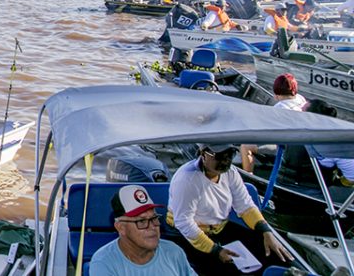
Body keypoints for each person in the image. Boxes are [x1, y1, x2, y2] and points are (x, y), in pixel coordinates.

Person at [167, 144, 293, 275]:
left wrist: (266, 231)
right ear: (203, 154)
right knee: (225, 269)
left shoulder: (231, 172)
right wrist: (215, 250)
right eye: (219, 156)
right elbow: (184, 222)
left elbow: (245, 205)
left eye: (230, 155)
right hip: (186, 234)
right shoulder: (187, 179)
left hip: (219, 229)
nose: (225, 161)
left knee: (272, 254)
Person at [90, 185, 195, 276]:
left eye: (154, 218)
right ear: (121, 227)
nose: (152, 227)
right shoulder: (104, 262)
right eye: (141, 221)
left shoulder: (174, 252)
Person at [304, 100, 354, 186]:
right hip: (317, 191)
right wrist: (336, 182)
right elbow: (351, 178)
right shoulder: (337, 143)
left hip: (282, 183)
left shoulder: (288, 133)